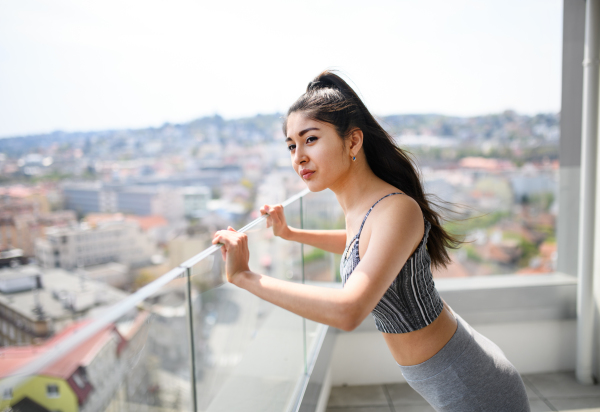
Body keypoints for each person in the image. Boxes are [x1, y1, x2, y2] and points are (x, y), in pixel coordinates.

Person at [212, 71, 530, 412]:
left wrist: (246, 277)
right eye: (292, 145)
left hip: (472, 385)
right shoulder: (365, 208)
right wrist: (291, 234)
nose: (298, 156)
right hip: (450, 377)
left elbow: (349, 311)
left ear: (352, 141)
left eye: (311, 139)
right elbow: (360, 246)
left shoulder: (397, 209)